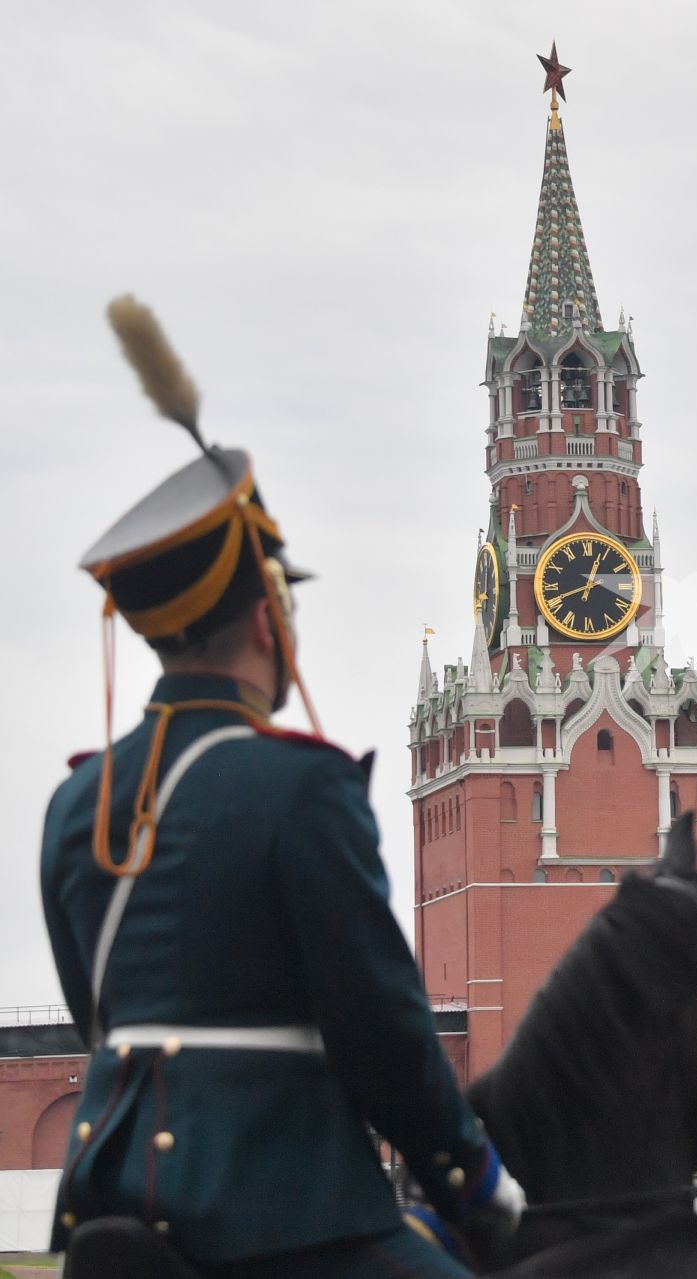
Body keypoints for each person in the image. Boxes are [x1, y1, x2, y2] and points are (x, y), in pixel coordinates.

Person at [40, 298, 522, 1278]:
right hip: (281, 1214)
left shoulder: (72, 807)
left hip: (112, 1206)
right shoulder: (301, 789)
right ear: (268, 621)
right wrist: (472, 1181)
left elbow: (100, 1018)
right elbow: (382, 1026)